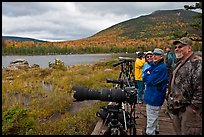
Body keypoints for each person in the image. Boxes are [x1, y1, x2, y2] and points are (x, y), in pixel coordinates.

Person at [166, 37, 202, 135]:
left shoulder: (197, 63)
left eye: (180, 46)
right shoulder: (180, 62)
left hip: (189, 111)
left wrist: (193, 108)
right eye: (176, 47)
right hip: (177, 108)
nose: (177, 49)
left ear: (189, 48)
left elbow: (200, 87)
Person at [142, 48, 168, 135]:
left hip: (154, 97)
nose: (154, 56)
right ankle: (156, 131)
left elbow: (149, 80)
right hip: (152, 96)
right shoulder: (155, 65)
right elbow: (145, 74)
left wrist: (148, 75)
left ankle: (150, 133)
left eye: (156, 55)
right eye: (153, 54)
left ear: (161, 56)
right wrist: (148, 74)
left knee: (151, 120)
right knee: (154, 117)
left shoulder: (161, 68)